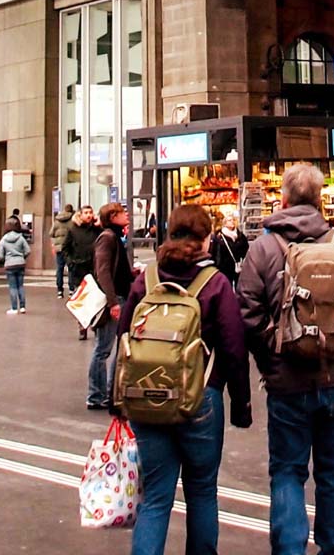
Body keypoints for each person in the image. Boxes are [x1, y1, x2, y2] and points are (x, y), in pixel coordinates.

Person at [236, 163, 334, 555]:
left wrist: (273, 353)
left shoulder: (263, 248)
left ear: (282, 199)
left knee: (287, 470)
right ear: (319, 200)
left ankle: (289, 549)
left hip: (287, 382)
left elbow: (247, 313)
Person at [120, 204, 252, 555]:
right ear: (206, 239)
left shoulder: (145, 279)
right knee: (202, 491)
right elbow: (234, 348)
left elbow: (124, 341)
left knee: (157, 496)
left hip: (145, 397)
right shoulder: (215, 284)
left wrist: (117, 400)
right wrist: (241, 404)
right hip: (201, 397)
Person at [87, 202, 132, 411]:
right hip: (112, 300)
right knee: (103, 348)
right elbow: (103, 271)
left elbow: (116, 269)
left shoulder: (115, 237)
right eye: (123, 212)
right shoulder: (107, 237)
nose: (127, 214)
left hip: (119, 297)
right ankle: (97, 394)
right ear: (113, 216)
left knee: (117, 346)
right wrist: (113, 302)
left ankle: (110, 390)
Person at [62, 205, 100, 340]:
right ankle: (82, 327)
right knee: (82, 299)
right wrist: (70, 262)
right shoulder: (73, 229)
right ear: (80, 214)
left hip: (94, 267)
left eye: (91, 212)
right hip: (79, 268)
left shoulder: (96, 229)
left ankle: (96, 326)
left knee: (97, 298)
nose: (89, 215)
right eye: (86, 213)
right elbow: (65, 248)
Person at [0, 218, 32, 314]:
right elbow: (28, 251)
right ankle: (22, 307)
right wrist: (22, 257)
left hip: (9, 264)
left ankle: (14, 308)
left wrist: (5, 259)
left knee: (13, 287)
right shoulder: (21, 238)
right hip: (20, 263)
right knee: (20, 286)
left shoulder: (4, 239)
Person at [208, 212, 249, 287]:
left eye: (233, 220)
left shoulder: (240, 235)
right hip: (224, 267)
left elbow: (245, 248)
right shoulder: (219, 236)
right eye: (229, 220)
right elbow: (215, 252)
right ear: (225, 223)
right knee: (227, 286)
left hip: (238, 266)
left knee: (239, 286)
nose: (232, 221)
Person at [49, 204, 75, 298]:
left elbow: (51, 234)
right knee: (71, 268)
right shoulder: (72, 221)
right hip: (69, 248)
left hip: (59, 248)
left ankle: (59, 290)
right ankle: (71, 289)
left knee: (59, 269)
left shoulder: (57, 221)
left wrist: (54, 244)